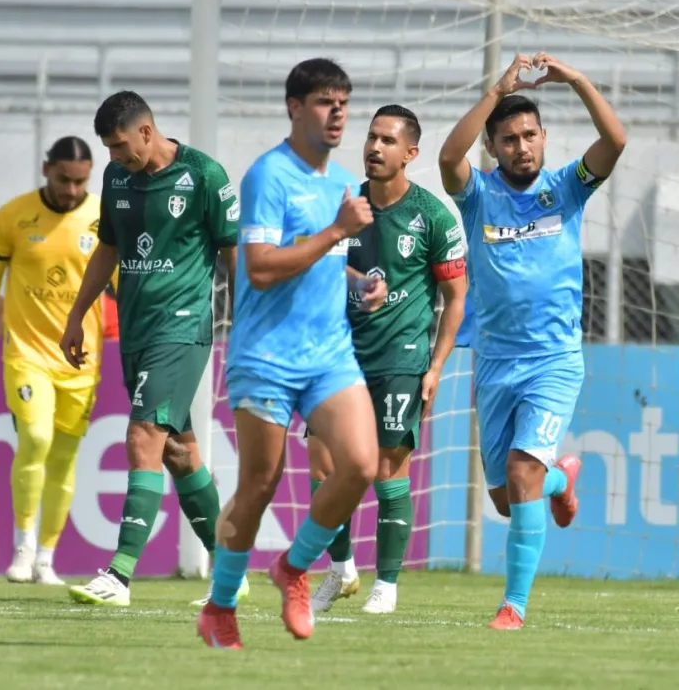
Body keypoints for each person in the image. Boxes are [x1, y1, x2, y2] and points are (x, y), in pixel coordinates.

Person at [196, 57, 388, 650]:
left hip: (328, 353)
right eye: (326, 102)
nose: (338, 114)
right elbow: (259, 267)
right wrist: (335, 232)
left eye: (344, 102)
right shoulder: (268, 176)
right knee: (259, 483)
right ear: (295, 107)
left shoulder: (339, 184)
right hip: (266, 357)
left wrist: (356, 281)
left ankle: (293, 568)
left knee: (360, 464)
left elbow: (321, 260)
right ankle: (220, 607)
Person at [438, 52, 626, 629]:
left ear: (544, 138)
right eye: (509, 139)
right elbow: (449, 157)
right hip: (494, 363)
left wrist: (575, 77)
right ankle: (563, 477)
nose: (522, 147)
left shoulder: (567, 188)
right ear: (493, 147)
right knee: (506, 498)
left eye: (530, 136)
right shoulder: (478, 197)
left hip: (554, 360)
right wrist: (497, 89)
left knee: (521, 474)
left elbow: (614, 142)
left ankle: (513, 606)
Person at [61, 90, 247, 607]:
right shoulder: (117, 178)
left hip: (183, 327)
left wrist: (247, 328)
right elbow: (110, 248)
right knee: (178, 453)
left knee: (142, 436)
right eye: (109, 150)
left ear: (147, 131)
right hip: (138, 331)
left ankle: (118, 574)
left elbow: (233, 257)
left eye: (121, 146)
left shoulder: (204, 175)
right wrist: (78, 315)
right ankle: (230, 571)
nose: (115, 158)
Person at [307, 104, 467, 615]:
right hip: (340, 356)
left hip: (401, 358)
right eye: (371, 137)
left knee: (386, 468)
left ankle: (388, 586)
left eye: (387, 141)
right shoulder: (344, 206)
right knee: (322, 463)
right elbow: (314, 270)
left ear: (410, 153)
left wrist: (436, 365)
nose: (375, 147)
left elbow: (456, 296)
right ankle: (341, 569)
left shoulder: (433, 216)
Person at [0, 136, 104, 586]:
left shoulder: (103, 218)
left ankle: (45, 559)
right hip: (27, 354)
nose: (72, 190)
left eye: (80, 181)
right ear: (45, 169)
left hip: (81, 361)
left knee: (64, 459)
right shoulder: (13, 216)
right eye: (64, 179)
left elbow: (125, 286)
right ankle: (22, 547)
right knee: (35, 437)